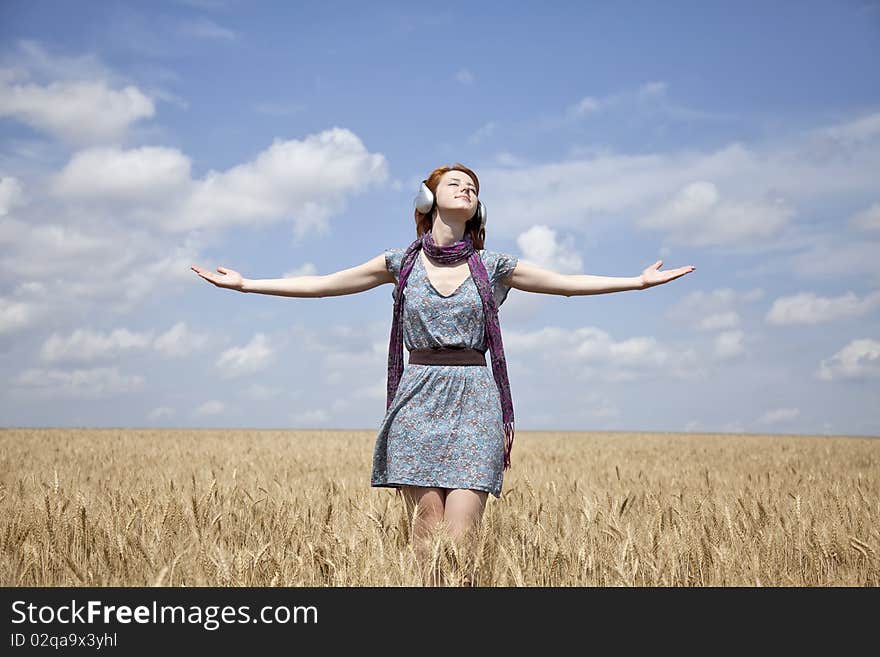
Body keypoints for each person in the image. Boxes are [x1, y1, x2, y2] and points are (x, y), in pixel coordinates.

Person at [191, 163, 696, 586]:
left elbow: (565, 284)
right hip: (416, 399)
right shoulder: (399, 262)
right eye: (454, 182)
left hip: (476, 399)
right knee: (425, 538)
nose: (466, 188)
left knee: (462, 541)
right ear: (428, 198)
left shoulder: (493, 265)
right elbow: (325, 285)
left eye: (472, 186)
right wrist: (247, 285)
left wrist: (638, 282)